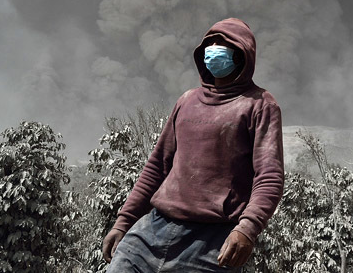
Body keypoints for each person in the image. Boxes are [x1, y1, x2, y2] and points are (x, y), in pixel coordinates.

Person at [102, 18, 284, 272]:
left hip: (211, 240)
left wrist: (247, 228)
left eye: (225, 47)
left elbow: (269, 176)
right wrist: (123, 222)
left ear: (243, 55)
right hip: (153, 228)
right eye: (210, 46)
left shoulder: (260, 104)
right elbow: (156, 167)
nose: (214, 52)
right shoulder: (187, 101)